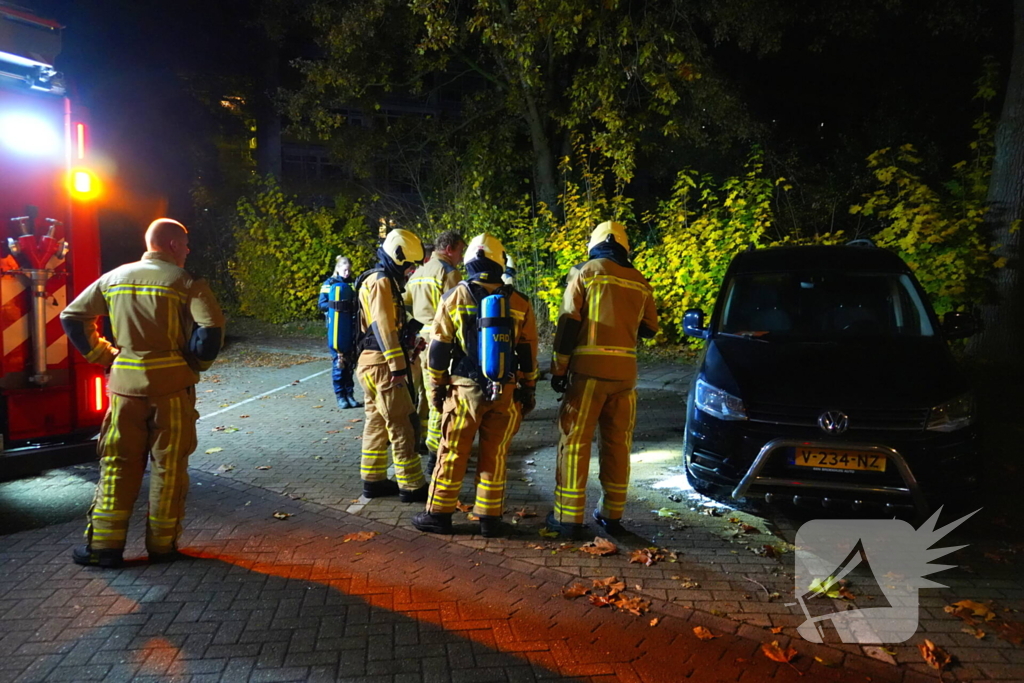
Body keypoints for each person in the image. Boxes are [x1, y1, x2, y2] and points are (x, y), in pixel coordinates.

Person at [60, 218, 224, 567]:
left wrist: (103, 355)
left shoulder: (114, 277)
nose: (188, 250)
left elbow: (73, 317)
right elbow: (211, 329)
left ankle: (104, 547)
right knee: (169, 467)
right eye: (185, 244)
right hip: (172, 391)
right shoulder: (186, 281)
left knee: (118, 464)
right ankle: (162, 546)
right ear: (173, 245)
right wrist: (196, 365)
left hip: (124, 390)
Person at [412, 233, 538, 538]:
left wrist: (437, 388)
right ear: (499, 262)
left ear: (469, 262)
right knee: (495, 454)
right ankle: (489, 519)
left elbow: (439, 350)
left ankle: (438, 515)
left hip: (464, 389)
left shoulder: (455, 296)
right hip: (505, 390)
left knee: (453, 451)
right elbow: (528, 352)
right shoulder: (520, 302)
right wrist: (528, 389)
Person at [546, 220, 658, 539]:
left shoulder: (585, 271)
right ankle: (612, 513)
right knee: (617, 443)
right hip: (625, 377)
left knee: (575, 441)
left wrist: (558, 369)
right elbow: (650, 328)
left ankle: (568, 518)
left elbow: (569, 323)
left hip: (588, 373)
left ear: (594, 244)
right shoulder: (639, 280)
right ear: (624, 247)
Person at [356, 228, 430, 502]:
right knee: (403, 423)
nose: (411, 271)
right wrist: (398, 366)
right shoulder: (381, 282)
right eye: (409, 265)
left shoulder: (378, 279)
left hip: (372, 364)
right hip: (383, 367)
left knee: (376, 422)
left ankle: (373, 480)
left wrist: (409, 343)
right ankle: (411, 485)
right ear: (398, 259)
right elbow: (383, 326)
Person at [404, 230, 465, 471]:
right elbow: (456, 311)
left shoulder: (419, 272)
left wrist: (416, 332)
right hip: (440, 342)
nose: (460, 257)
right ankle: (435, 449)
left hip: (419, 343)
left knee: (422, 394)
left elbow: (405, 305)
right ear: (449, 248)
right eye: (460, 251)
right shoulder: (449, 272)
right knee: (441, 396)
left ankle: (419, 439)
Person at [318, 255, 361, 409]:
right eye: (344, 269)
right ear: (337, 268)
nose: (347, 272)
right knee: (339, 363)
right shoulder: (329, 284)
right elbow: (321, 304)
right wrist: (338, 305)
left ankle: (350, 395)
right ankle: (340, 396)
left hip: (352, 328)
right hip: (336, 329)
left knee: (350, 365)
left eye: (349, 270)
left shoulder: (353, 283)